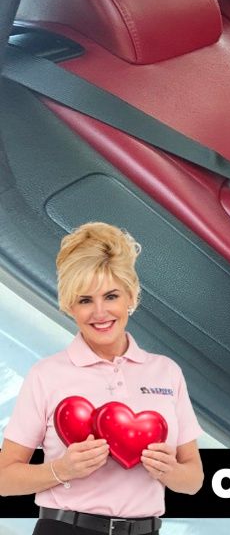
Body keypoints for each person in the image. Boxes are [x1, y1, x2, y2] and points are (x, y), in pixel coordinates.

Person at [0, 223, 203, 534]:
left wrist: (169, 470)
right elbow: (4, 480)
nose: (100, 312)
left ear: (130, 297)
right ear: (70, 306)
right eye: (85, 300)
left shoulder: (166, 372)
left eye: (111, 296)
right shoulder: (47, 374)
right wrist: (61, 470)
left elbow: (193, 480)